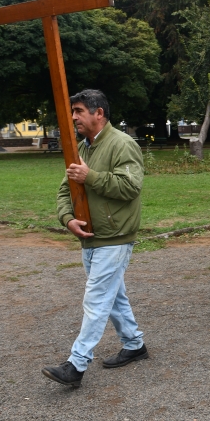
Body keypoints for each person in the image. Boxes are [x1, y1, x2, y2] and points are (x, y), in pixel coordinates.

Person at [43, 89, 147, 387]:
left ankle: (75, 366)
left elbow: (130, 187)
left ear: (98, 113)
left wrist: (90, 177)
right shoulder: (83, 147)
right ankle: (134, 344)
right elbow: (66, 189)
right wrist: (67, 219)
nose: (73, 116)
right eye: (73, 111)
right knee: (113, 296)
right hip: (90, 235)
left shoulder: (122, 144)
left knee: (96, 300)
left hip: (115, 236)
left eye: (78, 111)